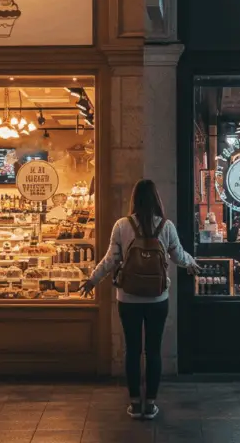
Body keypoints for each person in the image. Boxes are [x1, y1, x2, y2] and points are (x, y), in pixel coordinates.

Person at [80, 179, 200, 420]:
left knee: (132, 351)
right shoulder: (165, 226)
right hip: (158, 298)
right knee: (153, 351)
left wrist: (93, 280)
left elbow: (111, 259)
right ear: (157, 199)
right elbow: (177, 254)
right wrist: (192, 264)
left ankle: (135, 404)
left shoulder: (122, 225)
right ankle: (151, 404)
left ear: (134, 199)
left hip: (128, 297)